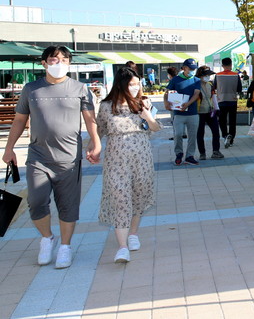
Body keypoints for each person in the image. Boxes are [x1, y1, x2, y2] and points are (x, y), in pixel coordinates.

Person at [1, 46, 101, 269]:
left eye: (64, 59)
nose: (59, 63)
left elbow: (90, 120)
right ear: (44, 63)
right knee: (36, 201)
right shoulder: (31, 89)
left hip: (69, 158)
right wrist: (9, 148)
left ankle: (65, 246)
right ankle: (47, 238)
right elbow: (19, 120)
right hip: (38, 157)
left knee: (67, 205)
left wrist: (96, 142)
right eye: (54, 59)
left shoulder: (80, 88)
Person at [97, 67, 161, 263]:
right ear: (121, 85)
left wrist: (148, 117)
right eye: (131, 84)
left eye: (137, 84)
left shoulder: (144, 103)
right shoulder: (107, 106)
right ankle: (122, 247)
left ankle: (133, 233)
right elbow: (99, 130)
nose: (135, 88)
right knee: (120, 198)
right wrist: (92, 149)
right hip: (116, 161)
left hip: (141, 159)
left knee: (139, 196)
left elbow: (156, 128)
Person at [164, 58, 201, 165]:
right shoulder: (175, 79)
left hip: (193, 113)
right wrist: (166, 102)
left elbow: (196, 94)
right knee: (178, 134)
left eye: (194, 69)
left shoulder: (196, 80)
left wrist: (188, 104)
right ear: (184, 68)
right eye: (190, 68)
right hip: (178, 113)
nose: (192, 71)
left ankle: (190, 155)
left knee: (192, 135)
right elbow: (167, 92)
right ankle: (179, 153)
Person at [196, 68, 224, 160]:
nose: (208, 77)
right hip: (199, 112)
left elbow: (213, 97)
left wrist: (217, 109)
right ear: (200, 75)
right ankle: (202, 153)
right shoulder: (195, 85)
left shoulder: (210, 85)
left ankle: (216, 151)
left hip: (210, 111)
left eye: (209, 75)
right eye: (206, 75)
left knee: (216, 131)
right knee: (200, 133)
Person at [214, 57, 242, 148]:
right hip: (233, 100)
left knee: (222, 120)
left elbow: (214, 87)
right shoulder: (236, 75)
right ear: (231, 65)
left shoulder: (217, 75)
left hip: (221, 100)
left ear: (222, 66)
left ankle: (225, 135)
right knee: (232, 121)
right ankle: (231, 138)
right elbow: (239, 89)